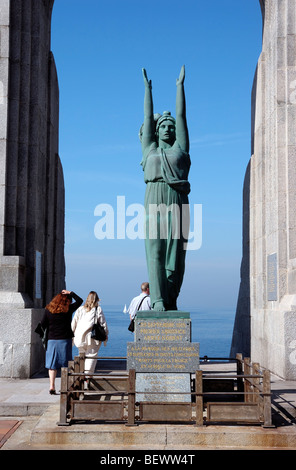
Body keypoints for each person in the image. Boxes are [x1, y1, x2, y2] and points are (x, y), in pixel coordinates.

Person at [140, 66, 190, 311]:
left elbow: (181, 117)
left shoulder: (180, 149)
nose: (168, 129)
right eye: (164, 126)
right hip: (154, 197)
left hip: (178, 201)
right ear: (156, 130)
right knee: (155, 251)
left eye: (171, 127)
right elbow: (148, 120)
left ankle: (171, 298)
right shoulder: (149, 149)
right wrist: (148, 91)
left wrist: (180, 87)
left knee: (177, 257)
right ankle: (157, 299)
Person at [40, 289, 83, 394]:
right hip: (65, 340)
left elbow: (43, 324)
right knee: (65, 364)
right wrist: (71, 293)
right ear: (67, 301)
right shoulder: (68, 309)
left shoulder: (48, 310)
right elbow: (80, 301)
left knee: (52, 365)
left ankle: (52, 386)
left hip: (52, 340)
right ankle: (65, 386)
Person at [71, 291, 109, 376]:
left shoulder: (80, 309)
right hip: (92, 338)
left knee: (81, 356)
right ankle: (87, 377)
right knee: (91, 356)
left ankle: (80, 375)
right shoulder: (98, 309)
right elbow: (103, 323)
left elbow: (73, 323)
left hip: (79, 338)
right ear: (96, 300)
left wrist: (72, 335)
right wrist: (106, 334)